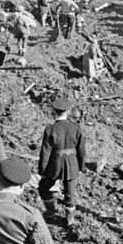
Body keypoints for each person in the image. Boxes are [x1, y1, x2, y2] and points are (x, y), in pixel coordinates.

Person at [38, 95, 86, 225]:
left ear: (54, 112)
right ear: (68, 111)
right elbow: (81, 150)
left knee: (43, 187)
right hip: (72, 164)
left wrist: (42, 169)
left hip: (55, 164)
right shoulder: (76, 128)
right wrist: (81, 166)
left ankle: (51, 209)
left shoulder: (50, 129)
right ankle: (69, 219)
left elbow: (45, 151)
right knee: (70, 193)